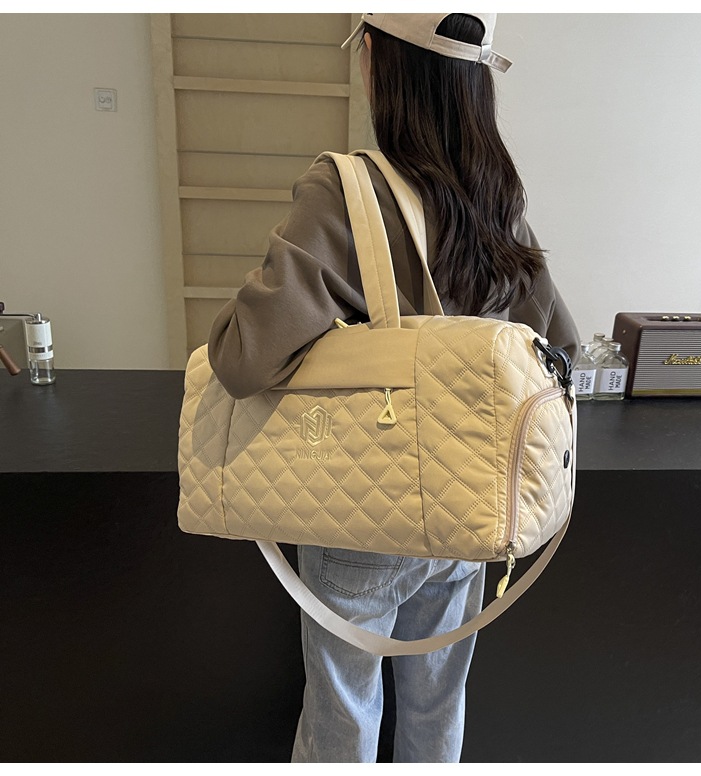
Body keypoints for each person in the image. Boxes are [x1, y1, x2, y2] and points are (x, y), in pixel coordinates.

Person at [208, 13, 580, 764]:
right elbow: (560, 346)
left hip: (364, 507)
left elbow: (243, 359)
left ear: (377, 58)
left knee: (342, 711)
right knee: (438, 706)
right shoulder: (498, 197)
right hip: (469, 503)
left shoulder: (344, 190)